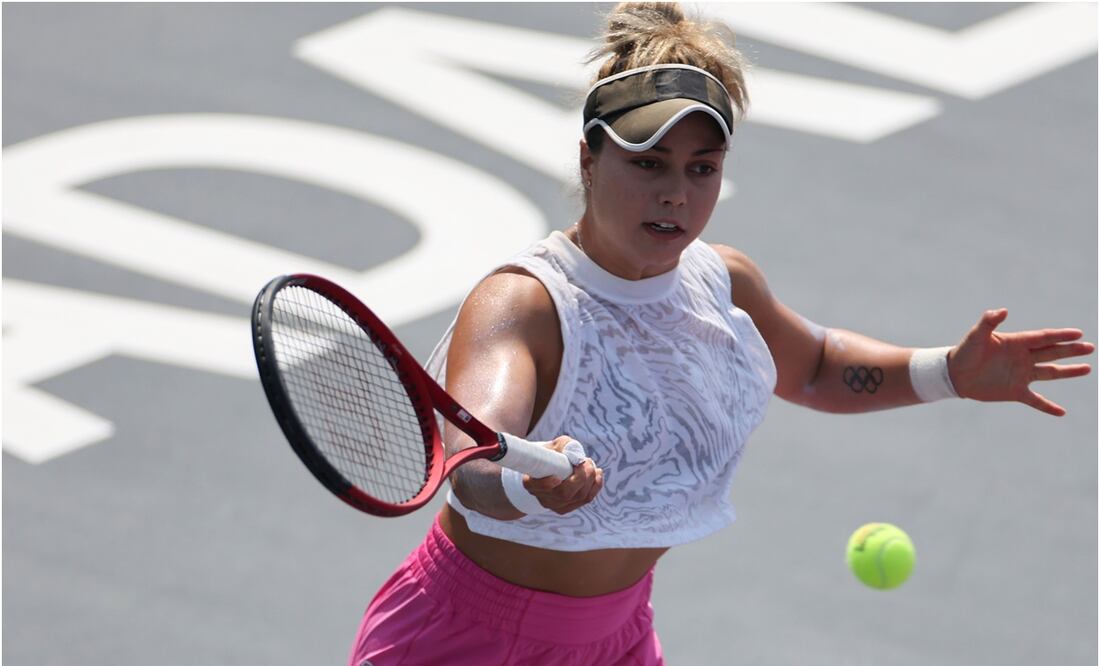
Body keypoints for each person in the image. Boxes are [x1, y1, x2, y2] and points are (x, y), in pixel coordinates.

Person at [348, 3, 1094, 664]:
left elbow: (816, 367)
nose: (676, 191)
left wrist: (947, 374)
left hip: (618, 640)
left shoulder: (724, 284)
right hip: (471, 643)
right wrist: (527, 482)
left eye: (702, 168)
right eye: (648, 163)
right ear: (589, 156)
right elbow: (474, 458)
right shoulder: (527, 304)